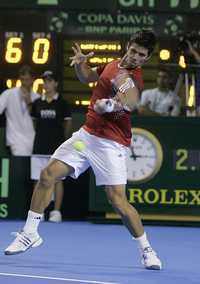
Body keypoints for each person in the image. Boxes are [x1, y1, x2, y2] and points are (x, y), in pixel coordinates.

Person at [4, 30, 162, 270]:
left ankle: (146, 250)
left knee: (117, 201)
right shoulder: (111, 65)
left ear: (146, 59)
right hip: (86, 136)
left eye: (141, 55)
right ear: (128, 46)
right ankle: (29, 233)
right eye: (133, 51)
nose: (135, 58)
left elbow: (128, 103)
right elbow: (86, 77)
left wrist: (109, 105)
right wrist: (81, 64)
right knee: (47, 175)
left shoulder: (132, 78)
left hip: (112, 144)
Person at [31, 70, 72, 222]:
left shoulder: (62, 103)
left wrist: (61, 141)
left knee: (57, 180)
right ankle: (38, 212)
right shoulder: (37, 103)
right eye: (45, 81)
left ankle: (56, 212)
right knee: (38, 179)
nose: (46, 84)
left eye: (49, 81)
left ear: (55, 83)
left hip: (57, 149)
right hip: (39, 147)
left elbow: (67, 124)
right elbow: (35, 123)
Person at [0, 65, 39, 156]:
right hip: (15, 140)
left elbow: (38, 120)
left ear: (32, 80)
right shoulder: (8, 94)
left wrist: (29, 102)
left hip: (33, 140)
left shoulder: (37, 98)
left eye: (27, 79)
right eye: (22, 79)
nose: (25, 82)